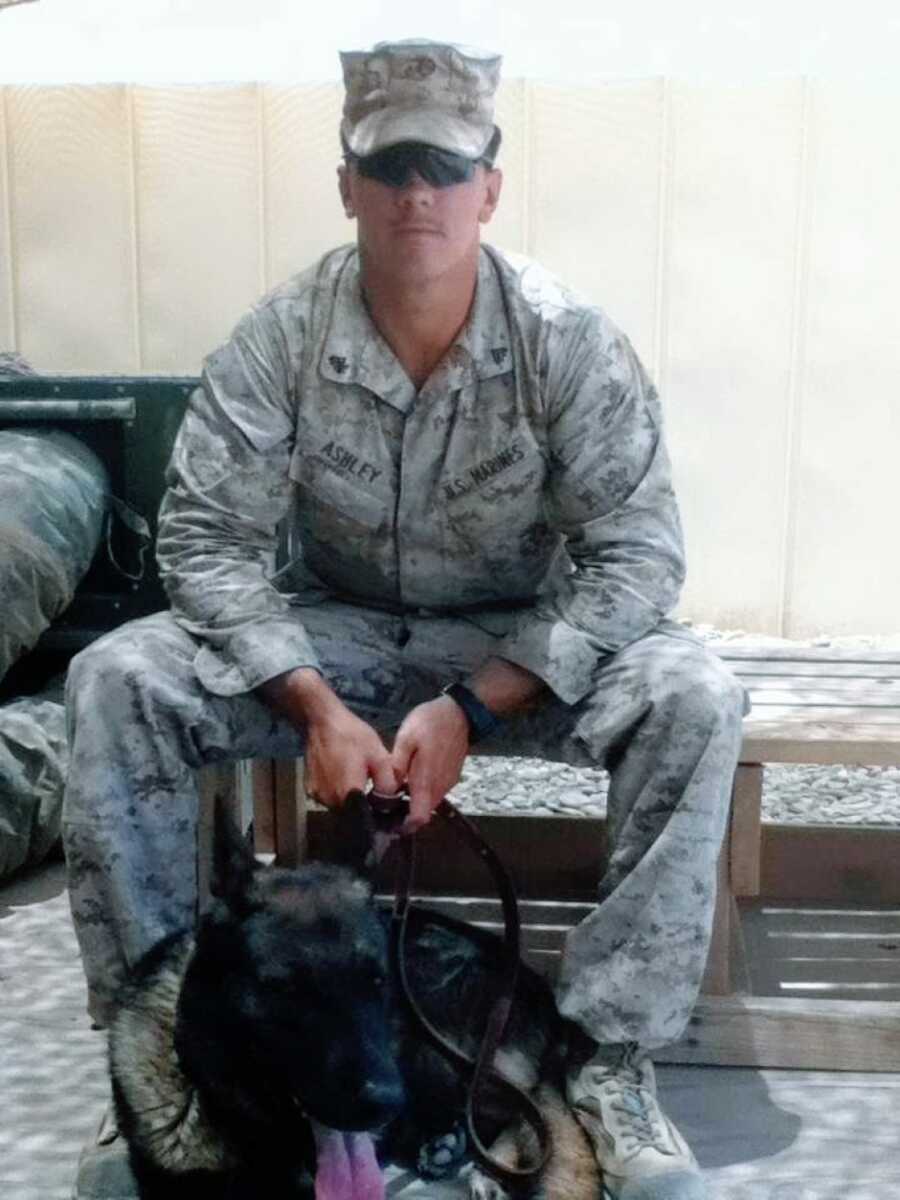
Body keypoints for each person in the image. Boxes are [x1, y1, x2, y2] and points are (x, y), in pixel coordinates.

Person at [67, 38, 747, 1200]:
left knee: (694, 696)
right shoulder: (280, 337)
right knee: (118, 679)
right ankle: (161, 1050)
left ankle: (604, 1064)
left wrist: (478, 704)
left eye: (447, 165)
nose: (416, 193)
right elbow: (205, 544)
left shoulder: (565, 339)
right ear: (346, 185)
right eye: (389, 167)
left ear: (492, 184)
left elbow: (638, 558)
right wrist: (312, 703)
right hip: (328, 635)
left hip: (510, 647)